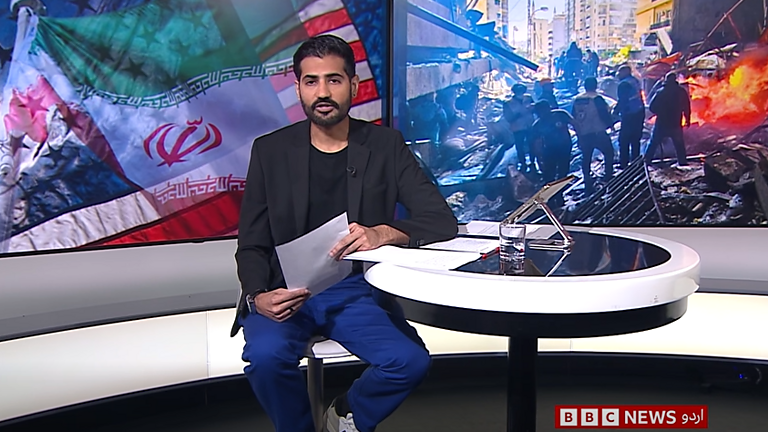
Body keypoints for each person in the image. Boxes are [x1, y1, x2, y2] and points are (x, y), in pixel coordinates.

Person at [232, 35, 458, 432]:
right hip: (285, 290)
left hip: (354, 289)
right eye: (311, 81)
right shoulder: (270, 151)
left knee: (409, 361)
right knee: (266, 359)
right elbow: (251, 243)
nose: (323, 92)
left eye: (334, 80)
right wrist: (257, 296)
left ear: (353, 85)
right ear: (298, 88)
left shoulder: (385, 145)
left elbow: (441, 220)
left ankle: (345, 412)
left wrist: (384, 232)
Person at [571, 77, 615, 194]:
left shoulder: (577, 99)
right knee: (609, 153)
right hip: (598, 131)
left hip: (584, 133)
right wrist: (610, 125)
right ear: (595, 86)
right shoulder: (597, 98)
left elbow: (573, 117)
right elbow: (604, 113)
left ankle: (587, 179)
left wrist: (578, 133)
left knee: (586, 157)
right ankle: (608, 175)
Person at [646, 72, 691, 166]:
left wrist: (660, 113)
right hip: (675, 123)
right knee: (679, 144)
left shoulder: (660, 92)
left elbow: (651, 107)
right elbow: (686, 107)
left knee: (653, 143)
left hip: (662, 123)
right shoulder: (681, 91)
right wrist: (687, 119)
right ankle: (682, 163)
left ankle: (646, 162)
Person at [530, 100, 576, 186]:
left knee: (563, 168)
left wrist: (581, 137)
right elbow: (536, 143)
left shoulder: (560, 114)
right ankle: (552, 188)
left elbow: (575, 123)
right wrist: (539, 158)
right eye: (539, 112)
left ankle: (561, 186)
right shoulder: (537, 125)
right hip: (549, 149)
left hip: (564, 146)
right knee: (549, 173)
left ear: (548, 108)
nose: (542, 114)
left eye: (543, 110)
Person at [612, 65, 646, 168]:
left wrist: (615, 113)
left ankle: (624, 164)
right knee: (635, 140)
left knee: (624, 140)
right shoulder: (634, 81)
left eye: (620, 72)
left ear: (624, 72)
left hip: (629, 115)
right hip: (639, 112)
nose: (618, 75)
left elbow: (622, 101)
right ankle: (636, 163)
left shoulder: (624, 84)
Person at [502, 83, 536, 172]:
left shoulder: (528, 98)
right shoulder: (508, 103)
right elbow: (508, 117)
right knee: (520, 146)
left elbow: (535, 109)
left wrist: (532, 109)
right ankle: (523, 163)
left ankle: (532, 162)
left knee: (532, 144)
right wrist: (518, 115)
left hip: (530, 125)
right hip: (518, 128)